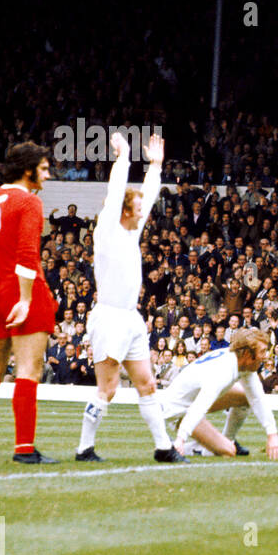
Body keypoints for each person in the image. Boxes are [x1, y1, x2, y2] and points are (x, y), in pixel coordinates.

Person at [75, 131, 185, 463]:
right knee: (107, 390)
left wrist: (155, 166)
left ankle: (163, 449)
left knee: (147, 385)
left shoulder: (130, 229)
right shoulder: (107, 230)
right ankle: (84, 448)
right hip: (109, 318)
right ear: (124, 211)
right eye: (135, 208)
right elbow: (115, 193)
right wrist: (123, 157)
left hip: (130, 318)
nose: (142, 212)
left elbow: (148, 196)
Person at [0, 142, 60, 463]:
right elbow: (27, 257)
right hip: (25, 292)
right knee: (28, 370)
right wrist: (22, 297)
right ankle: (24, 449)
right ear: (27, 169)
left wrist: (0, 280)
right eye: (44, 169)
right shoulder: (28, 202)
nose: (47, 175)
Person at [159, 329, 278, 458]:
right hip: (179, 411)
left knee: (245, 396)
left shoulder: (242, 363)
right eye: (262, 351)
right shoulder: (223, 370)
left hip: (192, 400)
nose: (265, 356)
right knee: (228, 451)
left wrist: (272, 434)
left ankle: (229, 439)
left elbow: (257, 398)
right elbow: (200, 406)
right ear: (246, 353)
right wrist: (181, 439)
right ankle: (183, 447)